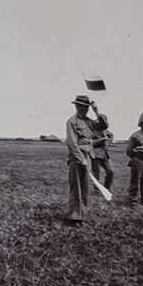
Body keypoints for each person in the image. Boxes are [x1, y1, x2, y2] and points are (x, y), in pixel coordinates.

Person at [64, 94, 96, 223]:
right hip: (77, 158)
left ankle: (82, 214)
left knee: (85, 187)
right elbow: (72, 143)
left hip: (87, 157)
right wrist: (80, 158)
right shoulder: (71, 121)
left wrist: (97, 111)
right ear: (76, 106)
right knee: (76, 186)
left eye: (86, 107)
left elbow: (103, 126)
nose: (84, 109)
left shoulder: (89, 121)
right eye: (82, 106)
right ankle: (73, 216)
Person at [90, 109, 114, 191]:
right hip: (95, 154)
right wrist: (101, 140)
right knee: (96, 174)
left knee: (110, 171)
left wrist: (108, 142)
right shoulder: (92, 131)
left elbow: (110, 137)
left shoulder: (106, 132)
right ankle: (96, 190)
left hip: (105, 155)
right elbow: (90, 143)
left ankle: (107, 188)